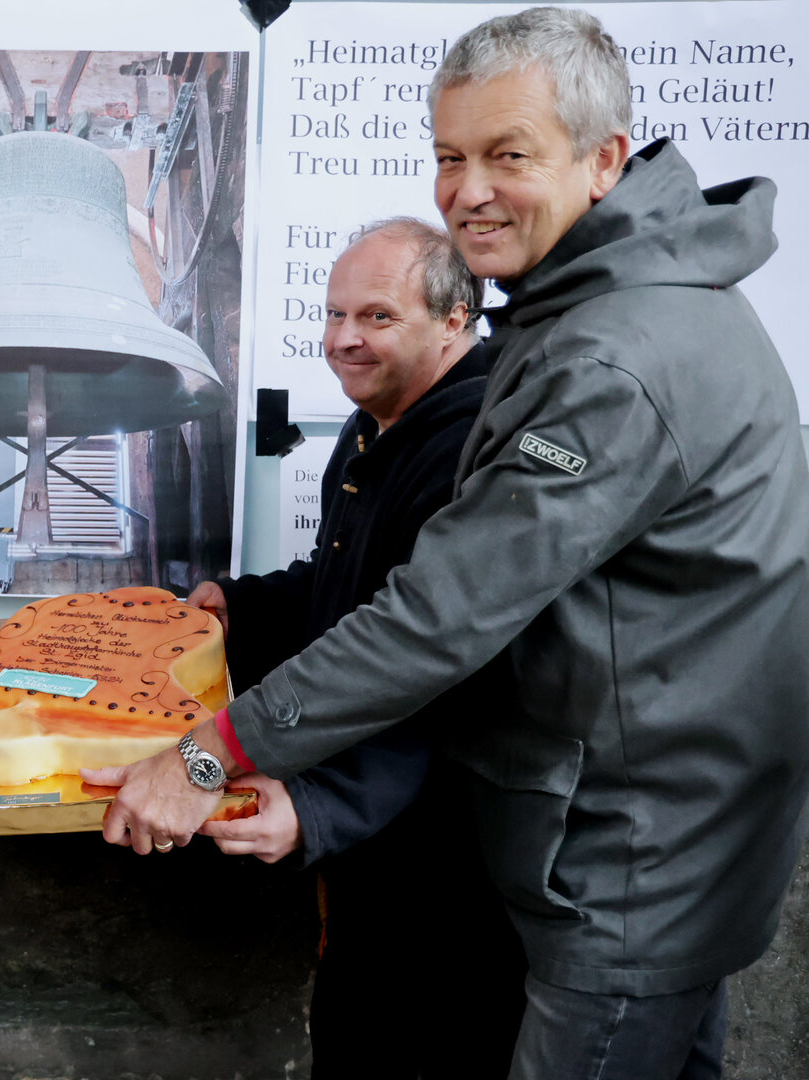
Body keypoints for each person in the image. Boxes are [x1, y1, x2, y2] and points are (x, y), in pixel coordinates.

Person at [91, 8, 809, 1079]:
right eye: (449, 156)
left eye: (508, 155)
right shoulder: (593, 309)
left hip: (625, 864)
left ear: (605, 159)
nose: (469, 189)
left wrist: (208, 755)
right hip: (651, 839)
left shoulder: (615, 358)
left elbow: (439, 617)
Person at [189, 218, 524, 1078]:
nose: (343, 339)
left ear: (455, 319)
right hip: (374, 856)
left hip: (455, 868)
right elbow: (345, 592)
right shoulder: (378, 421)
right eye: (335, 314)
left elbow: (430, 659)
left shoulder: (472, 449)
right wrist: (239, 605)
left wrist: (319, 804)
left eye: (376, 317)